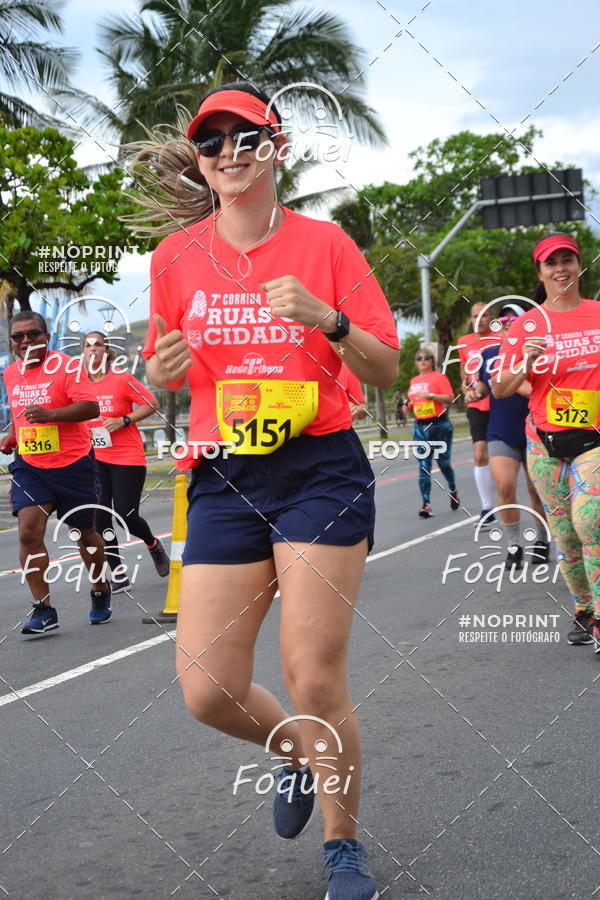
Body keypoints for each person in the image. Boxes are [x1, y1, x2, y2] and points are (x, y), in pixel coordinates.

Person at [131, 82, 400, 898]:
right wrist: (158, 373)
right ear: (201, 162)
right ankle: (293, 750)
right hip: (224, 474)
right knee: (207, 689)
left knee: (314, 673)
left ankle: (342, 843)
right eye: (211, 143)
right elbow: (157, 371)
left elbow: (384, 364)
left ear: (274, 146)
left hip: (319, 467)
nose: (228, 154)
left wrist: (329, 319)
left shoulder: (328, 246)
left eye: (244, 137)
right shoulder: (175, 259)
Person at [493, 233, 600, 650]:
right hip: (544, 445)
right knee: (565, 535)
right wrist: (524, 361)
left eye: (567, 260)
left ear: (578, 266)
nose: (561, 268)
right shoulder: (526, 326)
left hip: (594, 439)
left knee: (590, 521)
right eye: (551, 262)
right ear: (540, 273)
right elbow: (500, 389)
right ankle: (583, 609)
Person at [0, 312, 112, 631]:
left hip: (74, 463)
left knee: (84, 533)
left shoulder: (68, 367)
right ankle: (43, 609)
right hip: (31, 466)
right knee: (28, 531)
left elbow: (91, 407)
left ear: (46, 337)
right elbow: (25, 418)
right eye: (18, 336)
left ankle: (100, 588)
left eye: (32, 334)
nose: (25, 341)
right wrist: (13, 436)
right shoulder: (11, 373)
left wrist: (50, 415)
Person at [82, 331, 170, 592]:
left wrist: (124, 420)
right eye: (87, 346)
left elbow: (152, 404)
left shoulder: (121, 379)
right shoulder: (79, 384)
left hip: (126, 457)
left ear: (107, 351)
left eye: (98, 345)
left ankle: (153, 545)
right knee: (100, 518)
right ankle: (118, 572)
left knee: (126, 514)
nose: (93, 350)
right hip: (95, 459)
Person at [466, 303, 549, 570]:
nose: (509, 323)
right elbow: (483, 385)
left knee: (536, 490)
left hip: (533, 428)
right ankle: (514, 545)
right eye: (505, 319)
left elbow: (527, 389)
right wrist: (474, 392)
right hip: (500, 429)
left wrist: (517, 371)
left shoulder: (538, 354)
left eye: (517, 320)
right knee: (504, 487)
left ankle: (541, 539)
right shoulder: (490, 353)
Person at [457, 302, 500, 525]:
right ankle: (487, 509)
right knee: (480, 454)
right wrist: (466, 390)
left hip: (500, 402)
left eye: (484, 316)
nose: (479, 320)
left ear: (491, 317)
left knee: (508, 454)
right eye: (475, 316)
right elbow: (464, 369)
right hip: (476, 405)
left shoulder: (500, 338)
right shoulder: (464, 342)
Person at [406, 346, 460, 517]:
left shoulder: (439, 377)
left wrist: (431, 396)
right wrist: (407, 407)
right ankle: (426, 504)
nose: (422, 361)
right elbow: (413, 404)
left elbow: (450, 398)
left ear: (432, 361)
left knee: (443, 464)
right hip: (420, 427)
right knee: (424, 467)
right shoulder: (413, 381)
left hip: (440, 426)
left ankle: (453, 490)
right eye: (419, 358)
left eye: (426, 358)